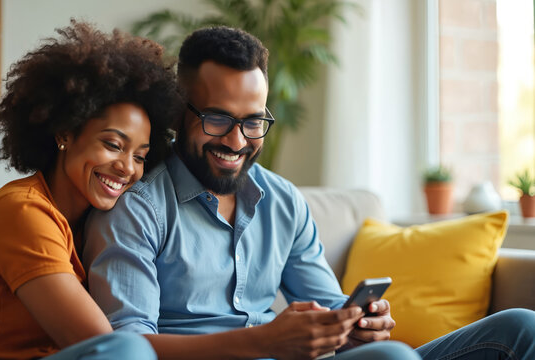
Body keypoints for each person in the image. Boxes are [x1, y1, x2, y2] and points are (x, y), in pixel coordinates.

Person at [83, 26, 535, 360]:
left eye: (253, 121)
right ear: (181, 111)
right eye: (218, 119)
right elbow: (129, 348)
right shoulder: (136, 209)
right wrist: (264, 341)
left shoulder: (282, 201)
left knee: (520, 327)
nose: (238, 141)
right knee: (393, 359)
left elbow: (331, 305)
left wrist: (357, 324)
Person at [0, 20, 182, 359]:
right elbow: (104, 346)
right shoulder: (22, 210)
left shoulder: (100, 220)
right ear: (65, 133)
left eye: (140, 156)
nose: (127, 168)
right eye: (112, 144)